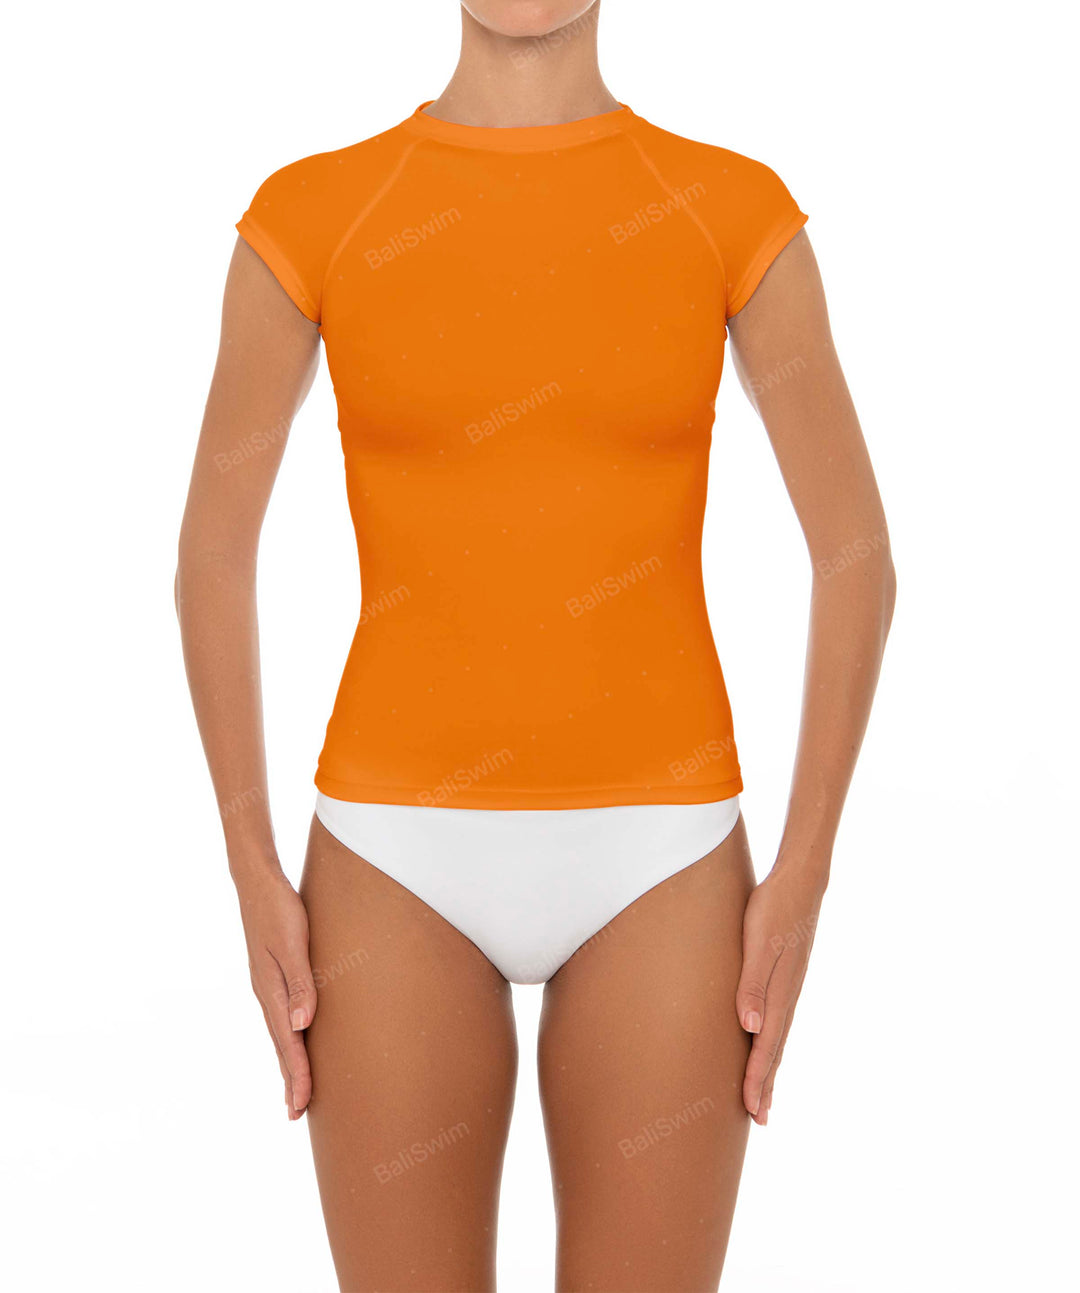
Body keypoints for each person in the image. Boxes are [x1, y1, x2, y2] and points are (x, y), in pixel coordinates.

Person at [176, 2, 895, 1287]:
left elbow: (855, 556)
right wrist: (247, 865)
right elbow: (212, 558)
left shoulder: (728, 211)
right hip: (390, 855)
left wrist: (806, 870)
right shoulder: (316, 212)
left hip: (664, 859)